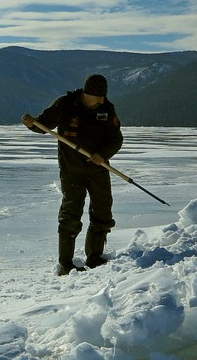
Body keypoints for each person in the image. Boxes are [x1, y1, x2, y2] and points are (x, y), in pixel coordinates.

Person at [22, 73, 124, 275]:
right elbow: (44, 124)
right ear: (87, 93)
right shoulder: (66, 104)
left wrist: (102, 155)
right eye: (98, 96)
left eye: (103, 96)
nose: (101, 100)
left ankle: (94, 257)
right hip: (71, 170)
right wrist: (31, 124)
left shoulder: (107, 109)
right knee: (71, 214)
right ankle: (65, 263)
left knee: (103, 212)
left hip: (98, 169)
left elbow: (116, 139)